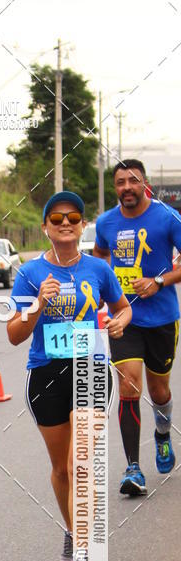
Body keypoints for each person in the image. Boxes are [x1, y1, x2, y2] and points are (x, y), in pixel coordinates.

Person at [7, 191, 131, 561]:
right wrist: (38, 304)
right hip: (46, 373)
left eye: (73, 218)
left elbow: (122, 306)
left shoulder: (98, 269)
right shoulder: (29, 273)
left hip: (91, 368)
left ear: (82, 225)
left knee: (83, 460)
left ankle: (84, 550)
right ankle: (73, 530)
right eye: (56, 218)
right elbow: (13, 334)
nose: (65, 223)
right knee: (62, 468)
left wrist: (120, 321)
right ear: (45, 227)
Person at [93, 159, 181, 495]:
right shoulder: (106, 222)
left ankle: (162, 430)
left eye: (132, 181)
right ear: (114, 187)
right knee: (129, 385)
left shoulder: (167, 217)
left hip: (161, 318)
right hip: (124, 317)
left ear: (144, 184)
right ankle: (133, 468)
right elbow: (100, 256)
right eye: (119, 182)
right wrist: (101, 287)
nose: (126, 187)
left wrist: (159, 280)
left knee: (159, 392)